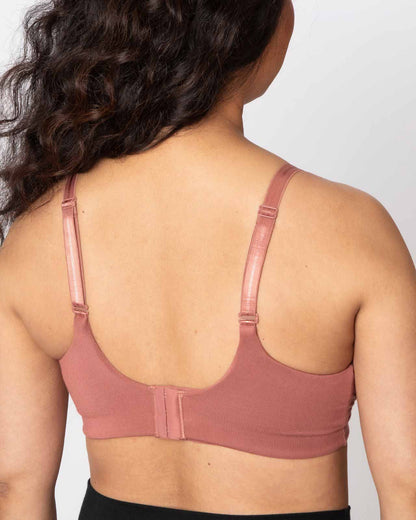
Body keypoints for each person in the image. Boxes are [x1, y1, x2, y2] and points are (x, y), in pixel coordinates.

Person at [0, 1, 415, 519]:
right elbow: (408, 487)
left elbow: (14, 486)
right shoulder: (351, 229)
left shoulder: (38, 234)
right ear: (247, 28)